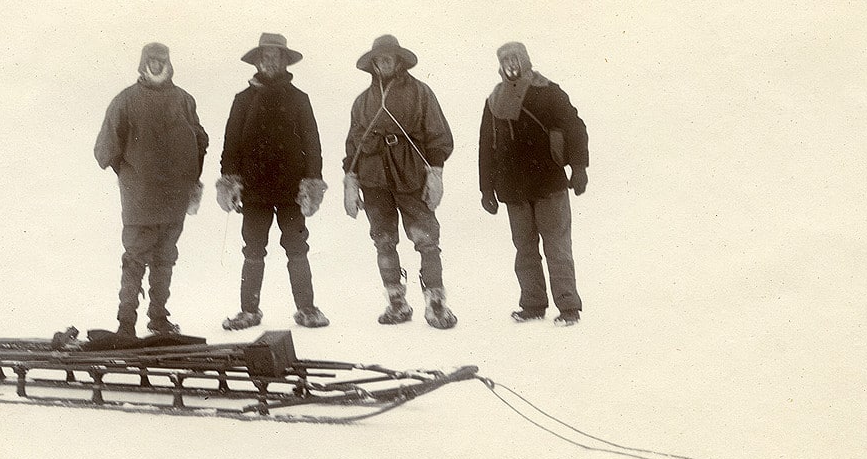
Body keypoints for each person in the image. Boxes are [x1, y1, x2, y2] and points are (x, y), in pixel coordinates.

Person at [88, 42, 209, 348]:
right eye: (151, 60)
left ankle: (159, 319)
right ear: (143, 63)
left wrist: (190, 177)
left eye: (161, 60)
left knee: (165, 259)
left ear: (169, 64)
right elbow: (105, 150)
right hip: (140, 199)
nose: (156, 65)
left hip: (174, 199)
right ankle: (126, 323)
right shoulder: (125, 101)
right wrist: (130, 175)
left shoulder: (184, 100)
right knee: (135, 259)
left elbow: (201, 139)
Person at [216, 33, 330, 330]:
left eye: (275, 56)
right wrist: (230, 182)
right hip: (254, 191)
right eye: (264, 56)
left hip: (292, 190)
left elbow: (313, 145)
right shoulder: (242, 100)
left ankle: (307, 309)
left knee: (297, 247)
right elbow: (231, 145)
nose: (269, 60)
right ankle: (248, 311)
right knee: (253, 248)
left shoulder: (299, 99)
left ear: (284, 61)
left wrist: (312, 184)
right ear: (257, 60)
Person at [342, 35, 457, 329]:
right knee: (383, 240)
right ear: (373, 64)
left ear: (399, 60)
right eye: (378, 59)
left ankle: (436, 304)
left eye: (388, 58)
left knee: (426, 239)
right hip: (373, 178)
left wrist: (436, 173)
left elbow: (438, 134)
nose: (384, 62)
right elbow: (353, 144)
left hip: (410, 175)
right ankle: (396, 302)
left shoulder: (420, 92)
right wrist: (351, 180)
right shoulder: (362, 102)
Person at [478, 41, 589, 326]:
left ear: (525, 61)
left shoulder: (548, 91)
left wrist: (578, 168)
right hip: (513, 187)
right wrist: (486, 189)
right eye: (506, 61)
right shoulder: (494, 100)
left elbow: (575, 128)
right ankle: (533, 305)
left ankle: (568, 308)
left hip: (548, 182)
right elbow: (486, 147)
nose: (511, 65)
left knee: (557, 247)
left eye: (516, 59)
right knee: (524, 249)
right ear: (500, 66)